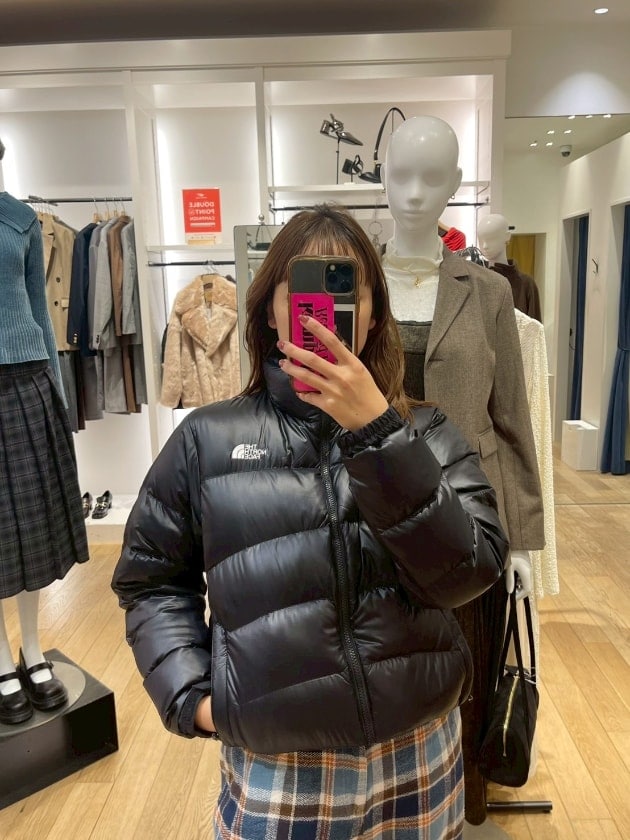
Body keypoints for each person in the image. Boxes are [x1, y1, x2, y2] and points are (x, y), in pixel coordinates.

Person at [112, 205, 509, 839]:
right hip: (278, 766)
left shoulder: (428, 433)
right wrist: (195, 698)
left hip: (418, 749)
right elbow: (150, 580)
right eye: (300, 287)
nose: (323, 308)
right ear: (271, 311)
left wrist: (379, 435)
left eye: (349, 287)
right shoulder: (206, 440)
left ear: (373, 314)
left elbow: (471, 573)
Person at [381, 116, 545, 824]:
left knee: (466, 671)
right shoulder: (351, 284)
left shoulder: (487, 292)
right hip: (373, 518)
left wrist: (523, 541)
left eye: (433, 176)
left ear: (455, 184)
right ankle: (388, 805)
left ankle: (460, 803)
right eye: (401, 174)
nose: (415, 193)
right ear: (380, 176)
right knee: (385, 671)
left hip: (467, 522)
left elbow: (512, 421)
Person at [0, 138, 90, 726]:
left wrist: (57, 400)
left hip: (27, 380)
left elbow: (37, 309)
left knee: (31, 532)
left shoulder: (21, 220)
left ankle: (32, 649)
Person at [477, 213, 542, 321]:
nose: (485, 246)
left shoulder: (526, 284)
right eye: (481, 240)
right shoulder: (476, 282)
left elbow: (535, 328)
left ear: (507, 236)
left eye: (491, 239)